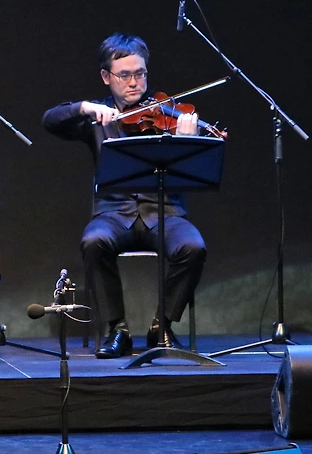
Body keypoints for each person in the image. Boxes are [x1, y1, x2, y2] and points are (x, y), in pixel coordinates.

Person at [42, 33, 207, 359]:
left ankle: (162, 326)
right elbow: (50, 120)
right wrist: (85, 107)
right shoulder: (98, 116)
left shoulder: (165, 114)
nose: (134, 83)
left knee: (193, 247)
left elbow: (193, 170)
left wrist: (188, 141)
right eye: (125, 75)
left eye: (140, 73)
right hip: (113, 214)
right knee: (94, 242)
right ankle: (117, 329)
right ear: (106, 76)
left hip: (164, 213)